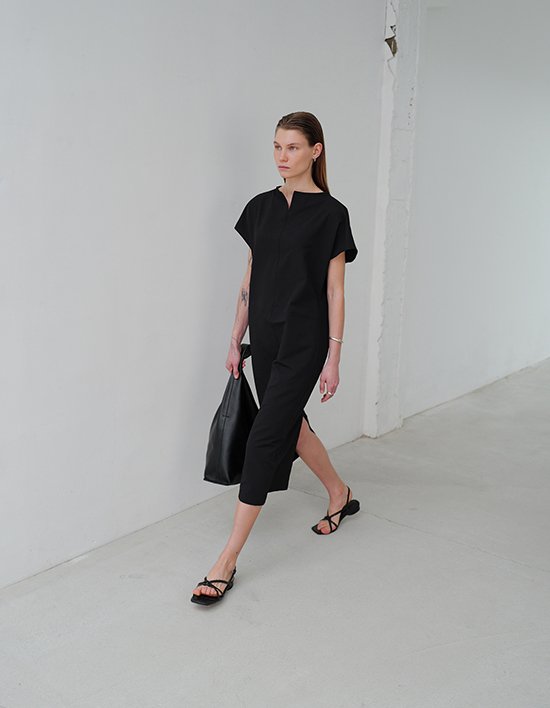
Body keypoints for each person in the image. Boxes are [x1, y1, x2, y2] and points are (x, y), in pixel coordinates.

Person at [191, 111, 360, 606]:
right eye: (277, 147)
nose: (282, 157)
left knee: (266, 437)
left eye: (292, 147)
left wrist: (334, 356)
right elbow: (250, 277)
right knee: (291, 425)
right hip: (264, 337)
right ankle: (339, 493)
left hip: (306, 341)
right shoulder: (260, 207)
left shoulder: (332, 214)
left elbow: (335, 290)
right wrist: (235, 336)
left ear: (315, 151)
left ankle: (226, 561)